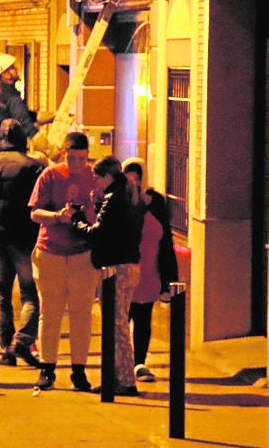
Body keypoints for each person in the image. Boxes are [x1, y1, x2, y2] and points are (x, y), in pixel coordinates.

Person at [27, 131, 100, 391]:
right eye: (71, 158)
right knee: (50, 311)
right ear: (63, 153)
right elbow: (35, 213)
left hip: (82, 252)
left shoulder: (94, 176)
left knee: (82, 314)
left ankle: (79, 370)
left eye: (81, 159)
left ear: (88, 156)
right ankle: (48, 368)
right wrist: (59, 216)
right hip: (51, 251)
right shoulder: (49, 175)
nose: (76, 164)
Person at [0, 119, 46, 368]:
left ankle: (6, 349)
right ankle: (22, 340)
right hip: (24, 237)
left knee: (1, 293)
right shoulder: (33, 167)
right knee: (30, 292)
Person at [70, 155, 143, 396]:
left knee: (117, 326)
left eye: (96, 177)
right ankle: (118, 378)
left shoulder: (116, 198)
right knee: (118, 324)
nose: (94, 182)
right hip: (129, 264)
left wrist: (76, 220)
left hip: (117, 268)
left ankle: (124, 381)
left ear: (108, 176)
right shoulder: (130, 194)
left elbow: (97, 233)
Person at [122, 158, 178, 382]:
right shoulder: (119, 201)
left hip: (150, 270)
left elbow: (166, 239)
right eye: (129, 175)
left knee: (144, 317)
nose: (134, 180)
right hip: (125, 269)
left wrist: (169, 277)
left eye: (138, 175)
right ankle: (121, 364)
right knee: (122, 318)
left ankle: (139, 363)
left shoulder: (155, 201)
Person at [0, 54, 38, 152]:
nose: (16, 69)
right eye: (11, 68)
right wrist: (50, 149)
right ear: (4, 74)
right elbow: (25, 123)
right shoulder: (11, 97)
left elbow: (25, 114)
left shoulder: (1, 94)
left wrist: (54, 116)